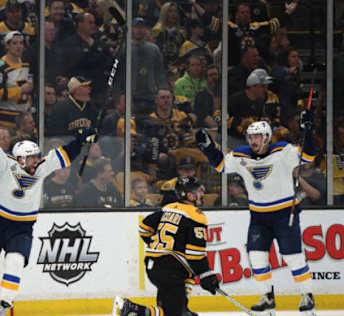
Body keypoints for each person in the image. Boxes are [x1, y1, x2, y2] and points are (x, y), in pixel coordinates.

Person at [0, 115, 96, 316]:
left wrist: (80, 141)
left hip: (22, 227)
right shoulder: (5, 163)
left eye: (36, 156)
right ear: (20, 158)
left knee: (15, 261)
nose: (36, 161)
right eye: (31, 157)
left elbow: (63, 156)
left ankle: (3, 307)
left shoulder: (41, 167)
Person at [195, 117, 317, 315]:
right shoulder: (241, 155)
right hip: (259, 216)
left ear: (267, 137)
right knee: (257, 257)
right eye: (251, 137)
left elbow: (309, 156)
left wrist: (308, 131)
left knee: (292, 257)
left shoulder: (283, 151)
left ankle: (307, 295)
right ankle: (267, 297)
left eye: (258, 137)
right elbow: (221, 166)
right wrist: (207, 147)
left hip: (284, 213)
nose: (253, 141)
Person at [114, 176, 219, 316]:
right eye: (199, 191)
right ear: (189, 195)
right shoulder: (196, 215)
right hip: (171, 269)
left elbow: (144, 227)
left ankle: (182, 308)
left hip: (154, 266)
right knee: (171, 313)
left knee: (185, 273)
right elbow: (195, 254)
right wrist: (207, 276)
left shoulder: (169, 208)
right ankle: (132, 310)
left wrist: (156, 245)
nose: (202, 194)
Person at [0, 31, 34, 129]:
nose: (19, 46)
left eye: (21, 43)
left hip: (23, 121)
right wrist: (20, 90)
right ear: (7, 46)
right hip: (4, 122)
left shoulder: (26, 64)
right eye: (14, 43)